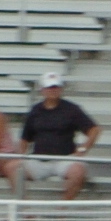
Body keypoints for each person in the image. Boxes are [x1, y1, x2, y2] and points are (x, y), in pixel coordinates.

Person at [17, 72, 99, 201]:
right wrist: (21, 155)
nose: (53, 90)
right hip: (39, 160)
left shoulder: (72, 109)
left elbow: (94, 129)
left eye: (56, 87)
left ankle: (63, 207)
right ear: (42, 90)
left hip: (64, 159)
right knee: (12, 168)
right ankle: (24, 206)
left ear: (61, 89)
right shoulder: (35, 110)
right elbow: (25, 137)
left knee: (78, 171)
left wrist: (83, 148)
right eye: (49, 87)